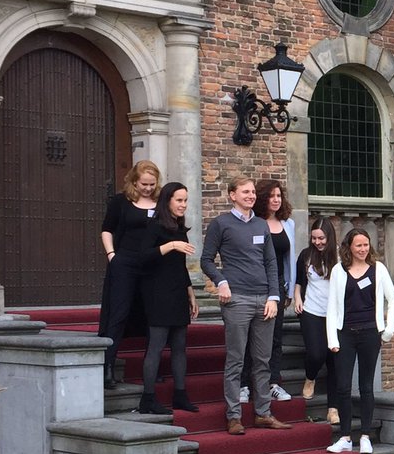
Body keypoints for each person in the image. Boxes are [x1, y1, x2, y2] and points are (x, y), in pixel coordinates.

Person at [200, 175, 292, 437]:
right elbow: (206, 260)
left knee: (262, 361)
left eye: (252, 192)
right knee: (236, 360)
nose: (251, 196)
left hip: (264, 300)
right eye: (245, 192)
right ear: (232, 195)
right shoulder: (220, 224)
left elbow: (271, 263)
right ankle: (234, 417)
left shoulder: (261, 224)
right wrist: (221, 281)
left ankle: (263, 413)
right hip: (236, 299)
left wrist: (274, 297)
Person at [324, 227, 394, 454]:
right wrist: (332, 338)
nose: (363, 249)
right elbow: (332, 306)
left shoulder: (378, 269)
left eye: (366, 244)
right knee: (343, 386)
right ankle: (345, 437)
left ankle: (365, 436)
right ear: (349, 247)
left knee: (366, 386)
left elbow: (393, 301)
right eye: (358, 245)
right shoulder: (338, 270)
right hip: (345, 333)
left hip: (370, 334)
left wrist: (387, 331)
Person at [137, 182, 199, 415]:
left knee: (180, 346)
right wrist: (171, 245)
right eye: (179, 200)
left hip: (178, 291)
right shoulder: (154, 226)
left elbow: (180, 267)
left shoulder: (180, 228)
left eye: (185, 200)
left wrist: (191, 293)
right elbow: (143, 256)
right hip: (158, 292)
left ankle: (180, 395)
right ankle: (147, 398)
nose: (183, 205)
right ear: (167, 201)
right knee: (156, 346)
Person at [98, 160, 161, 388]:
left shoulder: (161, 202)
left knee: (153, 315)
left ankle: (151, 368)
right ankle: (107, 366)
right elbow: (107, 229)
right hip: (124, 262)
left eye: (152, 184)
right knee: (118, 313)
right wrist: (112, 255)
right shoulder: (120, 201)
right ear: (134, 181)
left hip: (152, 265)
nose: (148, 188)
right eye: (144, 184)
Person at [239, 179, 295, 404]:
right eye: (271, 196)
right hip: (255, 285)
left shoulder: (287, 224)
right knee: (250, 337)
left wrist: (289, 288)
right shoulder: (253, 222)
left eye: (279, 196)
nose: (276, 200)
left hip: (278, 285)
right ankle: (244, 385)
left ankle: (273, 383)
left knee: (275, 337)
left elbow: (289, 258)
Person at [293, 217, 341, 426]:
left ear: (329, 237)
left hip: (335, 314)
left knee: (335, 362)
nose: (317, 242)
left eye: (321, 238)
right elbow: (299, 281)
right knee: (316, 353)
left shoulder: (341, 256)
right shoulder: (306, 255)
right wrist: (297, 298)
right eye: (314, 238)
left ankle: (333, 409)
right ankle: (310, 377)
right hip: (311, 310)